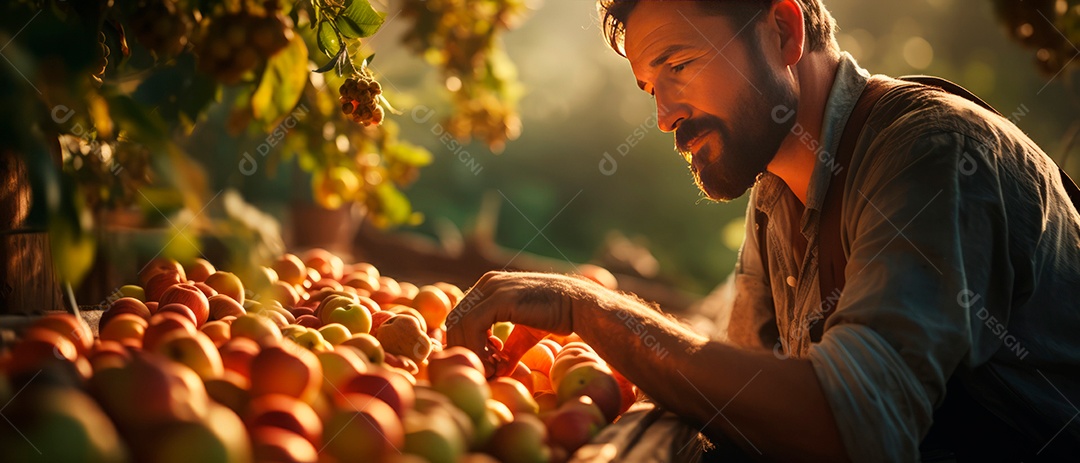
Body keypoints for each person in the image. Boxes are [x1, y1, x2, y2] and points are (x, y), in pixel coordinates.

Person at [445, 0, 1080, 460]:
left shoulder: (934, 157)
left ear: (782, 30)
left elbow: (852, 428)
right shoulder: (776, 190)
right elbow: (747, 401)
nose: (663, 116)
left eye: (679, 64)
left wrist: (589, 311)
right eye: (649, 87)